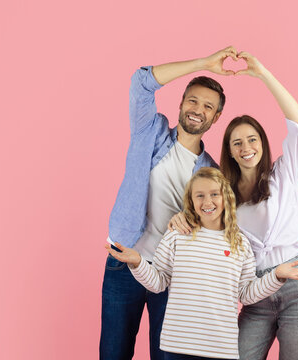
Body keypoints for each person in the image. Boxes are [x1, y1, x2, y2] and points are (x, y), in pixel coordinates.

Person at [169, 51, 298, 360]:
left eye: (252, 139)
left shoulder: (285, 174)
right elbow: (199, 217)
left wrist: (263, 74)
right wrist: (179, 219)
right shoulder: (223, 194)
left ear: (262, 143)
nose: (246, 148)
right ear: (229, 151)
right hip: (256, 293)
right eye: (237, 143)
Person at [100, 46, 240, 360]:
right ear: (181, 103)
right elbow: (141, 81)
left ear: (216, 117)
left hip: (173, 277)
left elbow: (217, 231)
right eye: (192, 100)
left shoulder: (213, 174)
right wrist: (204, 63)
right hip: (124, 261)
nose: (197, 109)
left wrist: (192, 222)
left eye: (207, 106)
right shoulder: (150, 130)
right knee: (113, 353)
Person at [106, 168, 298, 360]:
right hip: (176, 346)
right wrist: (138, 263)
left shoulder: (240, 243)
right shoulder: (177, 235)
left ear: (225, 197)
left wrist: (277, 275)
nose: (208, 202)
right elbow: (158, 282)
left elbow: (246, 293)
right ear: (191, 200)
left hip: (220, 349)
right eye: (200, 196)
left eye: (214, 194)